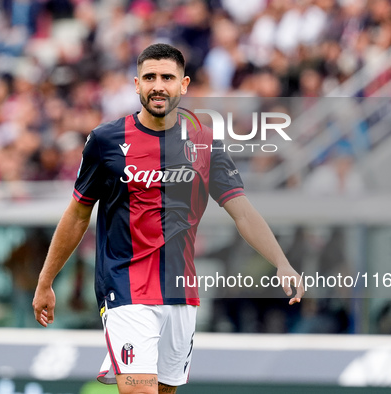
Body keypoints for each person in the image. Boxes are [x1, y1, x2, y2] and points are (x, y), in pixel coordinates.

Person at [32, 43, 304, 394]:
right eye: (149, 77)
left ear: (184, 84)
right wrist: (46, 280)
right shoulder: (105, 141)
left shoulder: (205, 144)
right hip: (124, 288)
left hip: (180, 292)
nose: (158, 85)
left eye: (167, 77)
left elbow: (243, 212)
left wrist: (281, 262)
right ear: (136, 84)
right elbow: (77, 215)